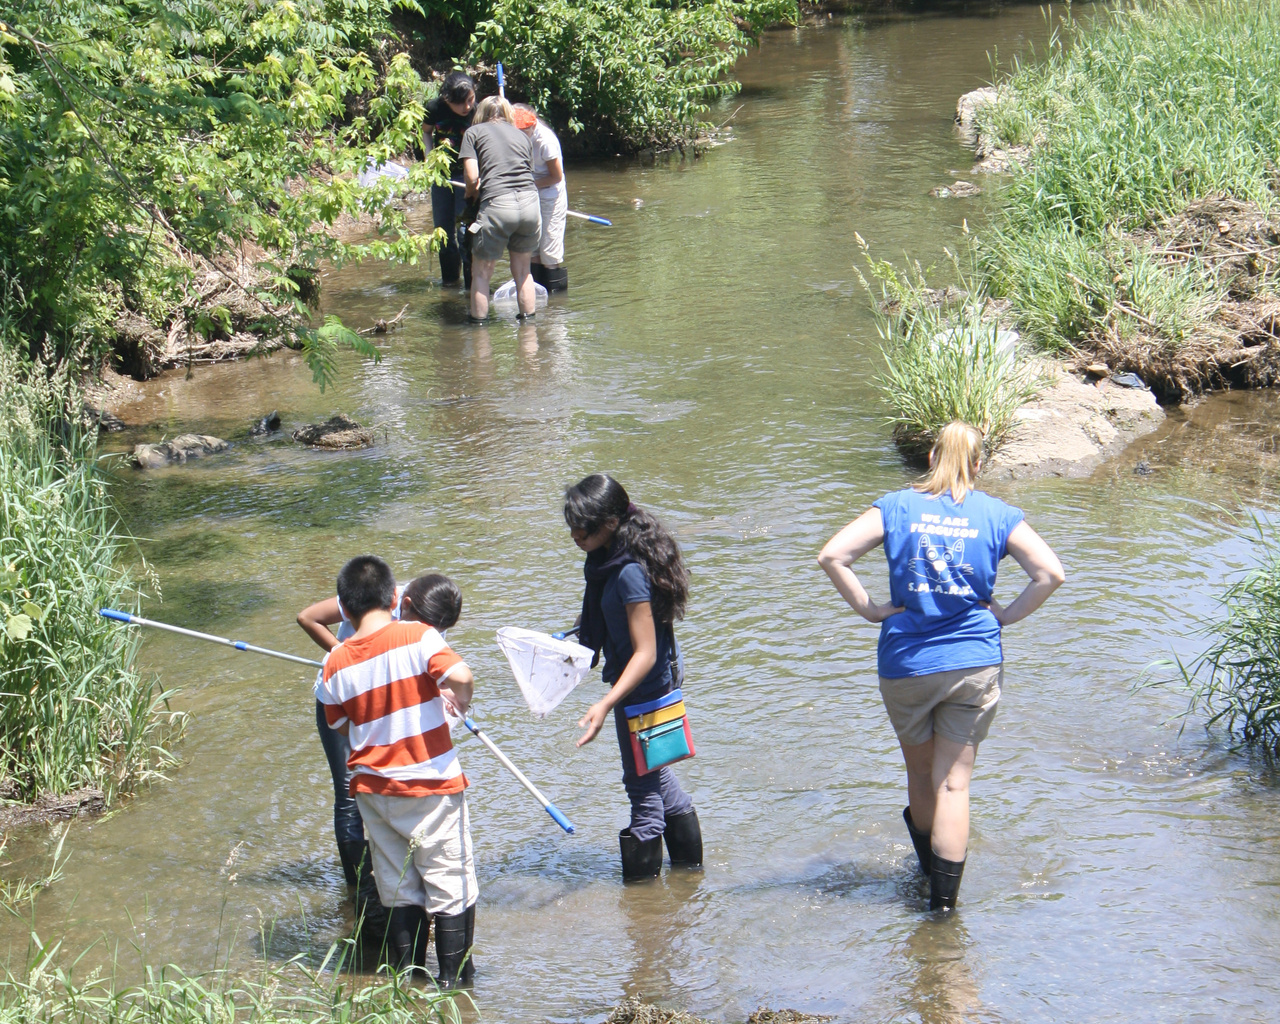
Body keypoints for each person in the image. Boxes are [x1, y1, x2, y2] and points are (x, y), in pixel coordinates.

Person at [817, 421, 1065, 912]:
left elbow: (832, 556)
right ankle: (942, 910)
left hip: (906, 662)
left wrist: (870, 610)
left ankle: (924, 875)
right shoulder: (998, 514)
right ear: (978, 465)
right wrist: (1007, 615)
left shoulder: (895, 505)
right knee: (954, 783)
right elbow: (1050, 573)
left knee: (920, 772)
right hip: (973, 660)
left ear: (931, 458)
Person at [314, 557, 478, 984]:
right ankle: (455, 985)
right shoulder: (419, 636)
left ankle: (409, 983)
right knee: (451, 885)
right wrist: (458, 703)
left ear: (345, 611)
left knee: (397, 887)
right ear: (394, 598)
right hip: (430, 786)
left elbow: (339, 722)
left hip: (372, 790)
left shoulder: (336, 661)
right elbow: (462, 674)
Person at [563, 474, 703, 881]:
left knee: (642, 791)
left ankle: (645, 915)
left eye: (581, 525)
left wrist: (605, 704)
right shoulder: (609, 560)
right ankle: (688, 880)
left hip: (643, 687)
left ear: (609, 522)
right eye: (571, 525)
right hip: (647, 682)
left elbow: (646, 652)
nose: (574, 534)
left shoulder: (628, 573)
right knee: (657, 777)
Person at [458, 96, 541, 322]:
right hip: (530, 204)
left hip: (497, 204)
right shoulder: (523, 136)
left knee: (482, 272)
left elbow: (472, 177)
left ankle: (479, 333)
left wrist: (471, 195)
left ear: (481, 113)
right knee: (524, 272)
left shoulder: (473, 133)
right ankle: (528, 331)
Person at [424, 72, 476, 288]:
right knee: (443, 233)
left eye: (470, 100)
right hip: (442, 176)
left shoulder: (477, 112)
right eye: (461, 103)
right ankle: (450, 284)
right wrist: (429, 156)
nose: (467, 107)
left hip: (468, 176)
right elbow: (426, 131)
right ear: (447, 99)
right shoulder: (434, 108)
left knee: (466, 232)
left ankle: (472, 286)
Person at [512, 103, 568, 292]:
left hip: (550, 193)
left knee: (549, 250)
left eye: (522, 130)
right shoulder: (513, 137)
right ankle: (537, 294)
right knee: (533, 248)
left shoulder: (545, 141)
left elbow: (556, 176)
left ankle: (556, 302)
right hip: (528, 192)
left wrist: (528, 186)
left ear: (532, 126)